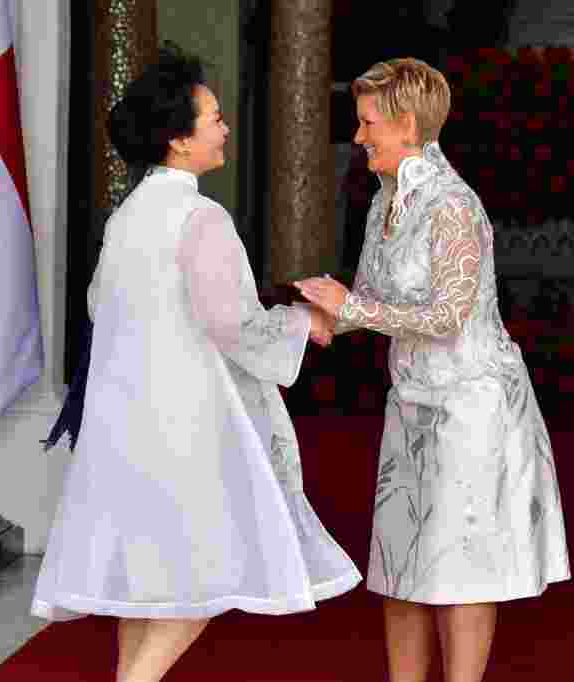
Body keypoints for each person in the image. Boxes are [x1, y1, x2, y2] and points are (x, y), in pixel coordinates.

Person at [32, 45, 361, 682]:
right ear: (179, 141)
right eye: (212, 117)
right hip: (185, 429)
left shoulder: (128, 216)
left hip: (125, 425)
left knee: (151, 584)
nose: (224, 126)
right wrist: (308, 324)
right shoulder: (199, 215)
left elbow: (103, 306)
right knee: (207, 575)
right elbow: (231, 323)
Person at [295, 58, 570, 682]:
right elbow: (366, 303)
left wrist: (351, 306)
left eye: (368, 124)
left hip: (472, 409)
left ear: (408, 125)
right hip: (411, 404)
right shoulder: (385, 200)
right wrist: (295, 325)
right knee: (398, 573)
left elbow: (448, 314)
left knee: (460, 575)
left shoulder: (453, 205)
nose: (359, 137)